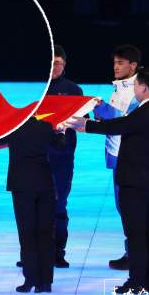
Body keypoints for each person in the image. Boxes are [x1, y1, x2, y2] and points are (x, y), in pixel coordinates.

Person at [66, 67, 149, 294]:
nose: (134, 89)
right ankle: (148, 281)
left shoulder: (145, 112)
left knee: (136, 234)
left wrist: (86, 126)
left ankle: (137, 282)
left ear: (143, 87)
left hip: (135, 182)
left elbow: (119, 126)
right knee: (147, 232)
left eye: (136, 85)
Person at [0, 117, 64, 293]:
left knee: (27, 234)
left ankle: (31, 279)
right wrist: (61, 132)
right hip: (44, 183)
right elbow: (60, 144)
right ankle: (46, 282)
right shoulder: (46, 127)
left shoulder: (14, 126)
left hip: (22, 185)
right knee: (45, 233)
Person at [93, 44, 141, 271]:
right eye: (114, 62)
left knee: (130, 207)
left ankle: (136, 255)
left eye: (120, 63)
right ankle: (133, 252)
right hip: (118, 155)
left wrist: (101, 110)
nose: (116, 67)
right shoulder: (120, 87)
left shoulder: (136, 89)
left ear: (133, 65)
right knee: (124, 207)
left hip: (128, 157)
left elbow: (123, 120)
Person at [45, 45, 83, 268]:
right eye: (51, 63)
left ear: (64, 65)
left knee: (59, 204)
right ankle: (32, 252)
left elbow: (82, 120)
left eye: (58, 63)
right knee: (34, 206)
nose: (54, 67)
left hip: (62, 157)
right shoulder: (37, 88)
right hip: (36, 156)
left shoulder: (73, 89)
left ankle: (58, 252)